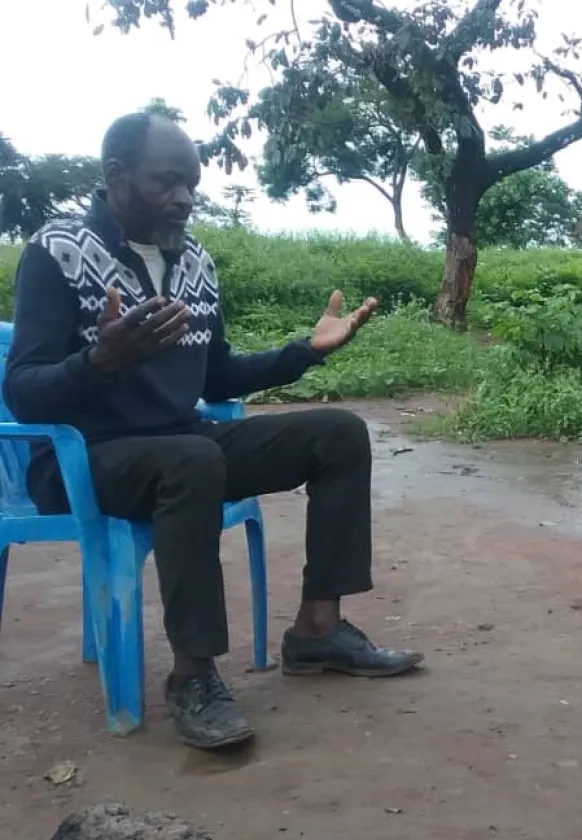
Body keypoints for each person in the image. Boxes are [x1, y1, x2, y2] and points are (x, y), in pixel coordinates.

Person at [2, 113, 424, 750]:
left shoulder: (192, 258)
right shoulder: (58, 251)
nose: (182, 199)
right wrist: (98, 363)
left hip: (183, 440)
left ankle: (317, 631)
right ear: (116, 177)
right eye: (165, 182)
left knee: (338, 433)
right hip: (82, 459)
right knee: (191, 460)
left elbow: (217, 374)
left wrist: (304, 352)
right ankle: (193, 675)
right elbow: (22, 391)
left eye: (191, 185)